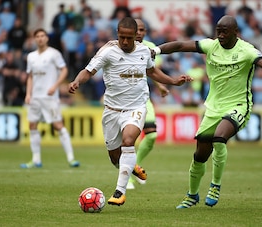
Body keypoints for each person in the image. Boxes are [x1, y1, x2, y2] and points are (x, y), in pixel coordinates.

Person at [152, 15, 262, 208]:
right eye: (218, 31)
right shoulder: (210, 46)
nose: (221, 35)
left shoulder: (247, 51)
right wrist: (156, 50)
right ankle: (192, 195)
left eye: (224, 31)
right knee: (200, 154)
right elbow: (181, 45)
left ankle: (215, 185)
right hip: (214, 108)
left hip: (239, 105)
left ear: (235, 32)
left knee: (219, 137)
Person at [68, 17, 192, 206]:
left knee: (128, 141)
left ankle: (120, 192)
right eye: (121, 37)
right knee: (115, 157)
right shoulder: (108, 52)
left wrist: (174, 81)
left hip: (136, 107)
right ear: (117, 35)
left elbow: (152, 72)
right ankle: (131, 166)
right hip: (111, 110)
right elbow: (88, 71)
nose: (125, 42)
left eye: (129, 38)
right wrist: (77, 81)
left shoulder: (144, 51)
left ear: (136, 36)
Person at [20, 28, 80, 169]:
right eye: (38, 36)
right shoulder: (31, 56)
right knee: (32, 125)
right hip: (35, 97)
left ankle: (71, 158)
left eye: (42, 36)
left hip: (50, 97)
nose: (40, 38)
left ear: (46, 38)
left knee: (58, 125)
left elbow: (64, 70)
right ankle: (36, 160)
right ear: (35, 39)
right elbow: (30, 76)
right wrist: (28, 94)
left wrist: (55, 86)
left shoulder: (54, 54)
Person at [126, 18, 170, 190]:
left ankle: (133, 169)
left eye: (142, 30)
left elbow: (150, 71)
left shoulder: (150, 48)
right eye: (137, 30)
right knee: (127, 142)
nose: (139, 33)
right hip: (123, 101)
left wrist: (161, 86)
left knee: (151, 135)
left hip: (143, 98)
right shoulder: (121, 47)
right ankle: (128, 177)